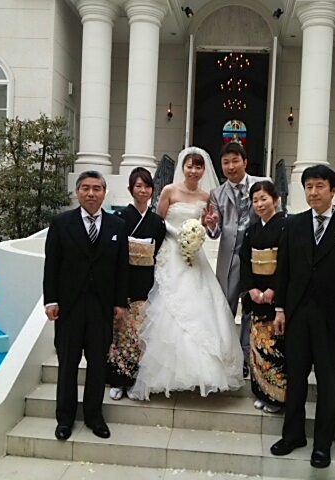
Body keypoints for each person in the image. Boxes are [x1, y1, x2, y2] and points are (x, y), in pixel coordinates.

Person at [270, 165, 335, 469]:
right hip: (297, 315)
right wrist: (280, 309)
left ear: (333, 190)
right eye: (308, 187)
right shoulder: (293, 224)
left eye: (320, 186)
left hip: (332, 320)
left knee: (328, 382)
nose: (313, 192)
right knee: (295, 377)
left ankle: (322, 445)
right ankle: (293, 435)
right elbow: (284, 270)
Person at [131, 147, 244, 400]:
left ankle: (204, 372)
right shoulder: (169, 191)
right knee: (171, 305)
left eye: (198, 167)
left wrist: (205, 227)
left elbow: (207, 224)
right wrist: (178, 234)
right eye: (190, 166)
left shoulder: (207, 195)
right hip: (172, 253)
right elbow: (159, 220)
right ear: (183, 167)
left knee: (201, 304)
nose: (194, 171)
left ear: (204, 170)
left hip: (194, 254)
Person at [43, 171, 129, 441]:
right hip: (69, 307)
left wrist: (120, 302)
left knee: (98, 364)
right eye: (86, 188)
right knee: (68, 363)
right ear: (78, 192)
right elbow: (51, 265)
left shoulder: (117, 226)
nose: (91, 193)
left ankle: (94, 416)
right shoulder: (61, 223)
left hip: (101, 307)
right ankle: (64, 418)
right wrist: (51, 300)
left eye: (97, 189)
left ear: (104, 193)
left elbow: (121, 268)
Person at [203, 142, 272, 376]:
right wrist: (212, 225)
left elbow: (275, 216)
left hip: (257, 257)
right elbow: (215, 232)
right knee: (225, 308)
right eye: (226, 162)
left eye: (235, 161)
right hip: (229, 258)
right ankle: (227, 357)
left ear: (245, 161)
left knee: (252, 309)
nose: (230, 166)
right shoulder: (217, 193)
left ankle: (247, 357)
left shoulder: (262, 185)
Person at [107, 168, 166, 401]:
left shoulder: (157, 222)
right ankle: (117, 380)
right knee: (121, 335)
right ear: (130, 189)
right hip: (123, 279)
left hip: (145, 281)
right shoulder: (119, 219)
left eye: (147, 186)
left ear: (153, 190)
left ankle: (135, 382)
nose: (143, 190)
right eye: (138, 186)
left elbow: (158, 253)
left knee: (140, 336)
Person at [239, 181, 286, 414]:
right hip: (257, 295)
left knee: (274, 349)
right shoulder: (252, 230)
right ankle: (261, 392)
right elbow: (245, 261)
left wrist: (273, 290)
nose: (259, 204)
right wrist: (251, 289)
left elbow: (286, 263)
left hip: (275, 298)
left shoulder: (286, 227)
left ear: (275, 200)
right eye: (255, 200)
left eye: (264, 199)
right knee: (257, 347)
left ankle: (276, 398)